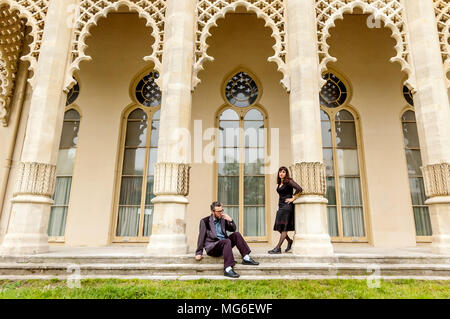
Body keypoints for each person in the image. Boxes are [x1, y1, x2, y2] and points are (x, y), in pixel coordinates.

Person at [195, 201, 259, 278]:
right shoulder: (205, 221)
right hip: (213, 247)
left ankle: (246, 257)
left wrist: (230, 220)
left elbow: (233, 229)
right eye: (218, 211)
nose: (221, 213)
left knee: (236, 234)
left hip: (224, 245)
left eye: (222, 210)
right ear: (212, 211)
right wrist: (199, 252)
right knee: (226, 241)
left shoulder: (223, 219)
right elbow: (201, 237)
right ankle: (228, 268)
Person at [268, 166, 303, 254]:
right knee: (279, 227)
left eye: (283, 172)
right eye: (280, 172)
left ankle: (278, 248)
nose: (281, 173)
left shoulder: (288, 181)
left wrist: (293, 198)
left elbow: (299, 189)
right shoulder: (280, 183)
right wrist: (278, 207)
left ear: (286, 173)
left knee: (284, 228)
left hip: (287, 207)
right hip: (281, 206)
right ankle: (289, 241)